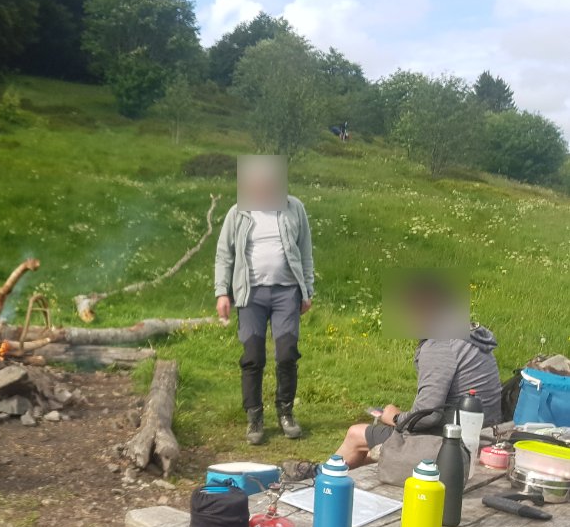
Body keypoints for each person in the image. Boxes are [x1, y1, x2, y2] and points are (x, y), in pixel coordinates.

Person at [285, 275, 502, 479]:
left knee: (356, 435)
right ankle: (336, 480)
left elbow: (428, 417)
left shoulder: (440, 347)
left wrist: (395, 417)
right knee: (371, 452)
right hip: (484, 435)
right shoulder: (467, 336)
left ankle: (317, 479)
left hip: (456, 447)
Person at [214, 156, 315, 445]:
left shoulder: (295, 208)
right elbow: (225, 254)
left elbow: (305, 250)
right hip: (250, 294)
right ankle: (255, 417)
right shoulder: (238, 213)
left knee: (286, 354)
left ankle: (286, 412)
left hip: (287, 293)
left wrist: (307, 290)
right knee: (252, 356)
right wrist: (223, 291)